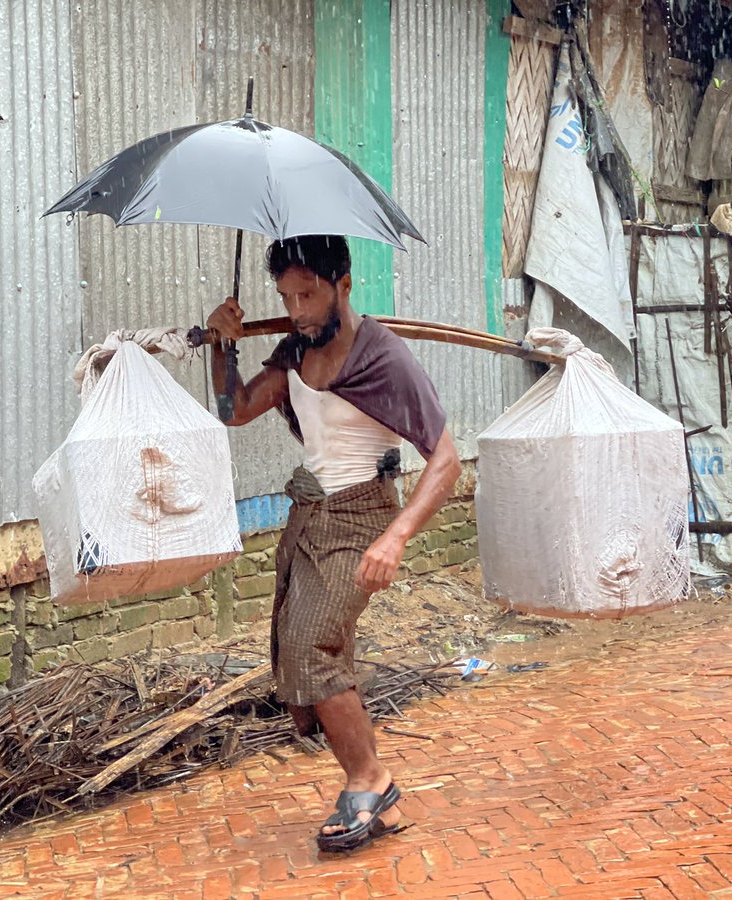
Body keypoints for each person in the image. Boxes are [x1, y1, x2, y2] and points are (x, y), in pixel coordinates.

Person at [206, 234, 461, 852]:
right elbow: (233, 409)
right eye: (286, 296)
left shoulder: (384, 358)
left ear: (343, 284)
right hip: (310, 517)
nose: (295, 310)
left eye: (308, 294)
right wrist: (222, 344)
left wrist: (396, 537)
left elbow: (447, 460)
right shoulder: (294, 350)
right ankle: (379, 795)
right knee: (310, 651)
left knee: (310, 645)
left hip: (362, 518)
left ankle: (369, 778)